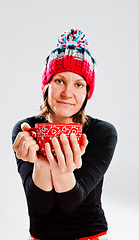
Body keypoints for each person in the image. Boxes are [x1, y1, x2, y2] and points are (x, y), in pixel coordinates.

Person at [12, 29, 117, 240]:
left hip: (88, 235)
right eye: (59, 80)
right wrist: (41, 164)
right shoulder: (25, 130)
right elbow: (40, 205)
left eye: (78, 84)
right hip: (41, 235)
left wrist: (61, 169)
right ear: (46, 85)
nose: (67, 93)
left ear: (87, 92)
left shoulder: (102, 133)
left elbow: (71, 201)